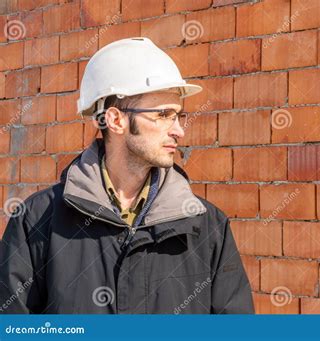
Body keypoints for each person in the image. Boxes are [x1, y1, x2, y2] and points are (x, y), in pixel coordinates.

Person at [0, 37, 254, 314]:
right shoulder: (37, 221)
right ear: (116, 119)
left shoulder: (206, 226)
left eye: (179, 116)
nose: (179, 130)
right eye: (164, 114)